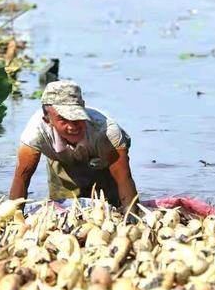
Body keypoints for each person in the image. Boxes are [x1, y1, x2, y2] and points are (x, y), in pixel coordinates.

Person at [9, 80, 138, 208]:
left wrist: (131, 215)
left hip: (103, 161)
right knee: (64, 208)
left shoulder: (106, 132)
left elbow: (124, 178)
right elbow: (22, 177)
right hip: (62, 161)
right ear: (47, 120)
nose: (72, 127)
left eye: (77, 117)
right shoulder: (35, 133)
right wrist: (14, 217)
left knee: (113, 205)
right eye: (63, 119)